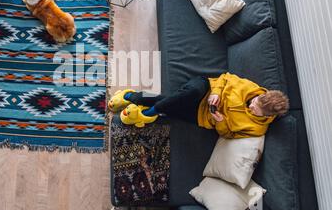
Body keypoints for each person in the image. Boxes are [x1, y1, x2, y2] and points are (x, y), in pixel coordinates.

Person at [108, 73, 290, 139]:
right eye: (254, 101)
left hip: (201, 117)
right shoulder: (253, 89)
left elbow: (228, 134)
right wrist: (217, 92)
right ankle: (148, 113)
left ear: (265, 115)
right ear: (263, 95)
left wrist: (221, 121)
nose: (251, 105)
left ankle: (131, 96)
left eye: (254, 109)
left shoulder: (257, 129)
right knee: (188, 94)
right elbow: (226, 77)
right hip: (205, 89)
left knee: (170, 101)